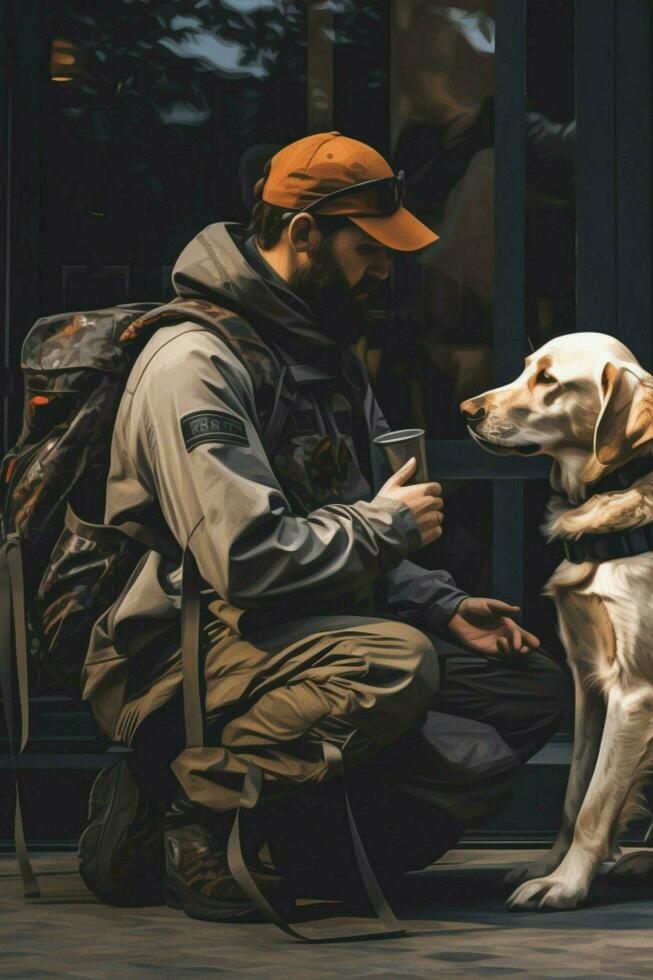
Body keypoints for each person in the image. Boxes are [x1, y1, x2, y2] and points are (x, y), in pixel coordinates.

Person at [79, 132, 567, 922]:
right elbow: (244, 558)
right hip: (183, 650)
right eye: (367, 248)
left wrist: (440, 604)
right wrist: (387, 533)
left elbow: (364, 505)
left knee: (526, 684)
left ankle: (302, 848)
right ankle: (186, 806)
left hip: (300, 625)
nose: (383, 271)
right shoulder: (193, 362)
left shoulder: (325, 351)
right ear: (303, 234)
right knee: (396, 666)